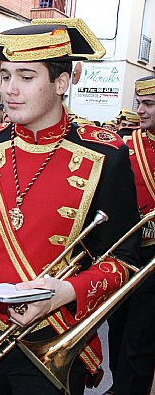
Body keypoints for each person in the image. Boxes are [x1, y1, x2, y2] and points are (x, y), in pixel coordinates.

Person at [0, 19, 140, 394]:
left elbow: (124, 262)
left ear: (62, 83)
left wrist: (64, 292)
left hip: (59, 328)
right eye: (4, 76)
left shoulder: (105, 155)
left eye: (26, 77)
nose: (9, 91)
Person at [105, 75, 155, 395]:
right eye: (139, 103)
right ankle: (119, 381)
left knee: (140, 335)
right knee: (118, 326)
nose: (140, 110)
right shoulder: (126, 144)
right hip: (126, 249)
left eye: (148, 104)